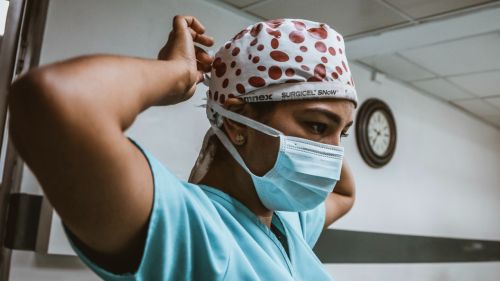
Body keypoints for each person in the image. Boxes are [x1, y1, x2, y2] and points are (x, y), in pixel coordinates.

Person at [8, 15, 356, 281]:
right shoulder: (190, 229)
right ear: (236, 124)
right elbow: (55, 100)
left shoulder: (286, 223)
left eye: (342, 135)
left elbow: (344, 193)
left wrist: (329, 112)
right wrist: (175, 73)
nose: (333, 152)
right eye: (317, 126)